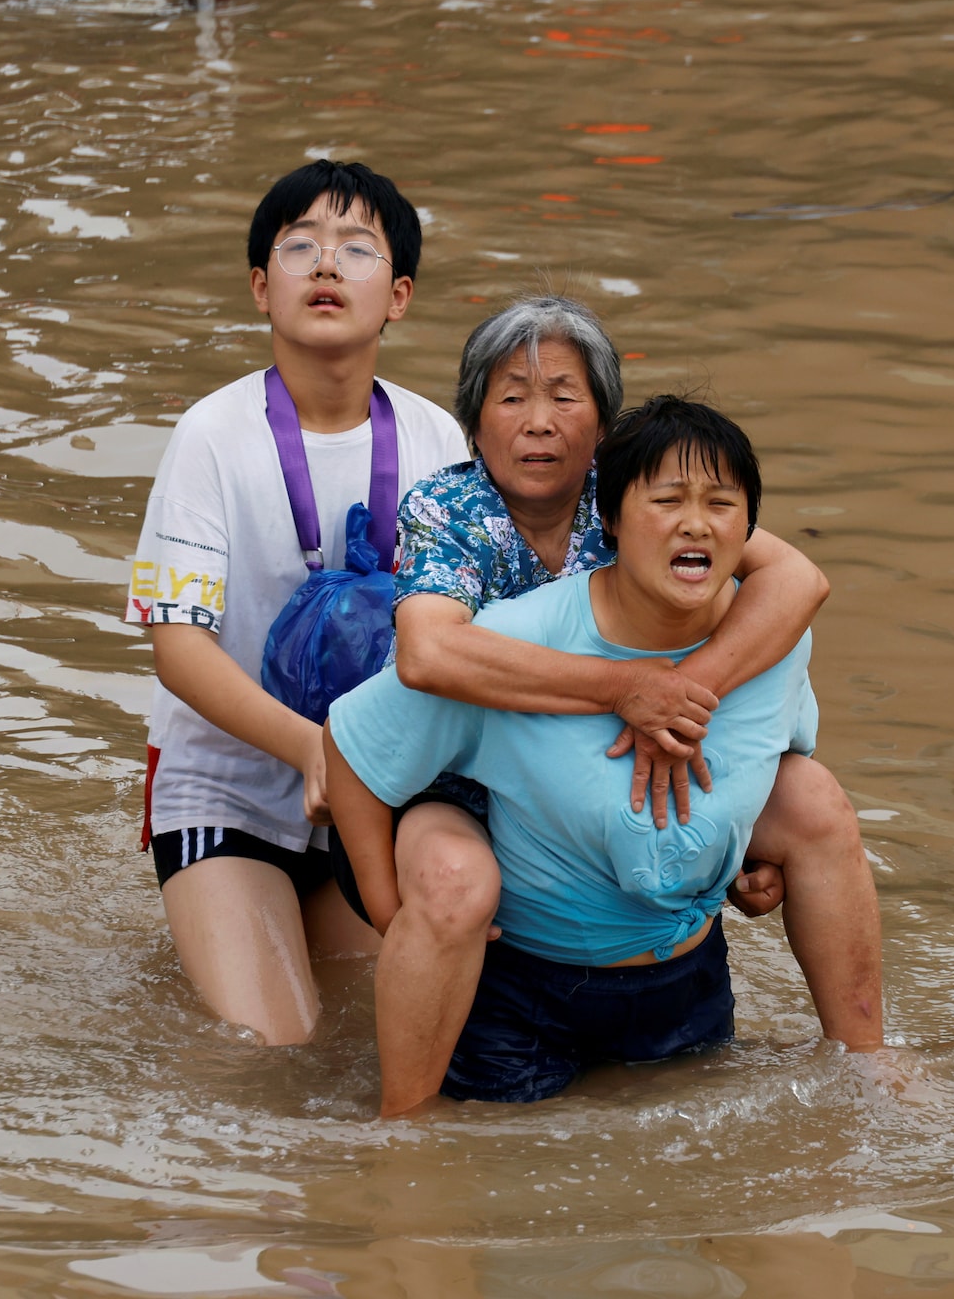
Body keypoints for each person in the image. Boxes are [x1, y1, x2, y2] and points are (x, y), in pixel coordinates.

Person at [332, 296, 884, 1115]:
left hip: (606, 769)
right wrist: (627, 690)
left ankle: (871, 1063)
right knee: (456, 878)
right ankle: (404, 1125)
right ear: (474, 425)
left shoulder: (647, 495)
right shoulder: (449, 510)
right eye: (511, 397)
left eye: (564, 395)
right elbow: (428, 656)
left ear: (605, 429)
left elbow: (795, 579)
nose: (539, 421)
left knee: (811, 798)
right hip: (451, 770)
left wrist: (688, 700)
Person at [123, 161, 469, 1044]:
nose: (325, 265)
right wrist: (315, 752)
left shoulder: (437, 438)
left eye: (356, 250)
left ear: (397, 297)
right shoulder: (209, 436)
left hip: (381, 792)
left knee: (377, 1038)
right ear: (258, 286)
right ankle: (212, 901)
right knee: (275, 1052)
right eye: (300, 247)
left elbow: (474, 636)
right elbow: (179, 650)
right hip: (231, 786)